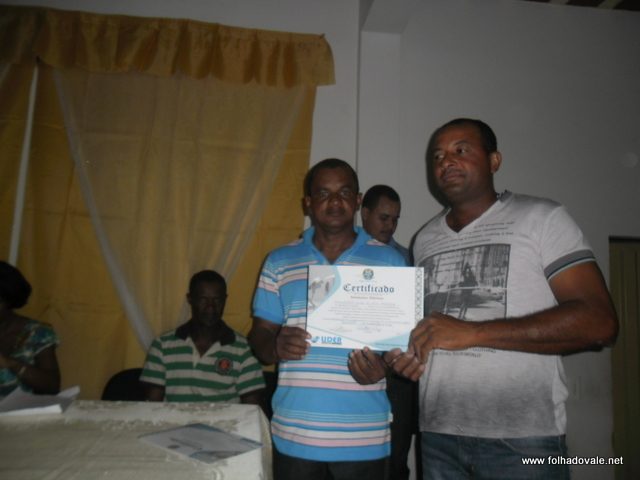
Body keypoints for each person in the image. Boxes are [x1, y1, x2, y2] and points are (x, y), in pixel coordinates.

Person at [385, 118, 618, 479]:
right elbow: (430, 331)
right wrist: (409, 356)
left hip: (523, 440)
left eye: (461, 149)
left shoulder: (542, 218)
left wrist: (473, 333)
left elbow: (599, 322)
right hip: (437, 437)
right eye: (438, 156)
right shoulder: (425, 239)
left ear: (494, 160)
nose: (446, 161)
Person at [249, 158, 406, 480]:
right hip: (294, 435)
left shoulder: (391, 261)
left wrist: (384, 367)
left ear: (358, 200)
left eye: (344, 192)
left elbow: (401, 348)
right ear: (308, 203)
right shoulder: (279, 261)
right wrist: (275, 345)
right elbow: (259, 336)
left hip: (363, 438)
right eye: (323, 193)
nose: (335, 202)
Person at [140, 269, 265, 404]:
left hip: (224, 419)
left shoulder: (244, 350)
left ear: (225, 300)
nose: (210, 307)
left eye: (217, 300)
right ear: (190, 299)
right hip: (173, 418)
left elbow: (252, 408)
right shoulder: (162, 346)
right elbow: (152, 406)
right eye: (203, 299)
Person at [361, 184, 417, 480]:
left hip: (397, 373)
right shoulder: (343, 254)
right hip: (354, 367)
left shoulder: (407, 260)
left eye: (395, 219)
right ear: (364, 213)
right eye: (384, 218)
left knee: (395, 457)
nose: (390, 226)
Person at [0, 261, 61, 398]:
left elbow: (52, 387)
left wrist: (10, 363)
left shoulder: (37, 333)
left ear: (10, 300)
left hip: (20, 411)